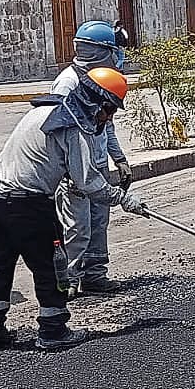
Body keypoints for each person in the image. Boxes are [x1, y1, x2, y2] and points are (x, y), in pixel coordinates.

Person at [0, 67, 146, 351]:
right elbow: (89, 182)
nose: (109, 118)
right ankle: (53, 330)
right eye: (109, 111)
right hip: (27, 201)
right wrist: (124, 199)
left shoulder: (47, 109)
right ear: (96, 102)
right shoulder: (72, 127)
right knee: (51, 264)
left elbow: (55, 165)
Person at [51, 21, 133, 296]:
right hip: (73, 169)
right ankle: (69, 280)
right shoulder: (68, 82)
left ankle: (95, 275)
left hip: (98, 165)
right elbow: (56, 129)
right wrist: (67, 170)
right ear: (100, 51)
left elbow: (106, 125)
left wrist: (118, 158)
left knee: (99, 224)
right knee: (77, 227)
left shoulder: (101, 80)